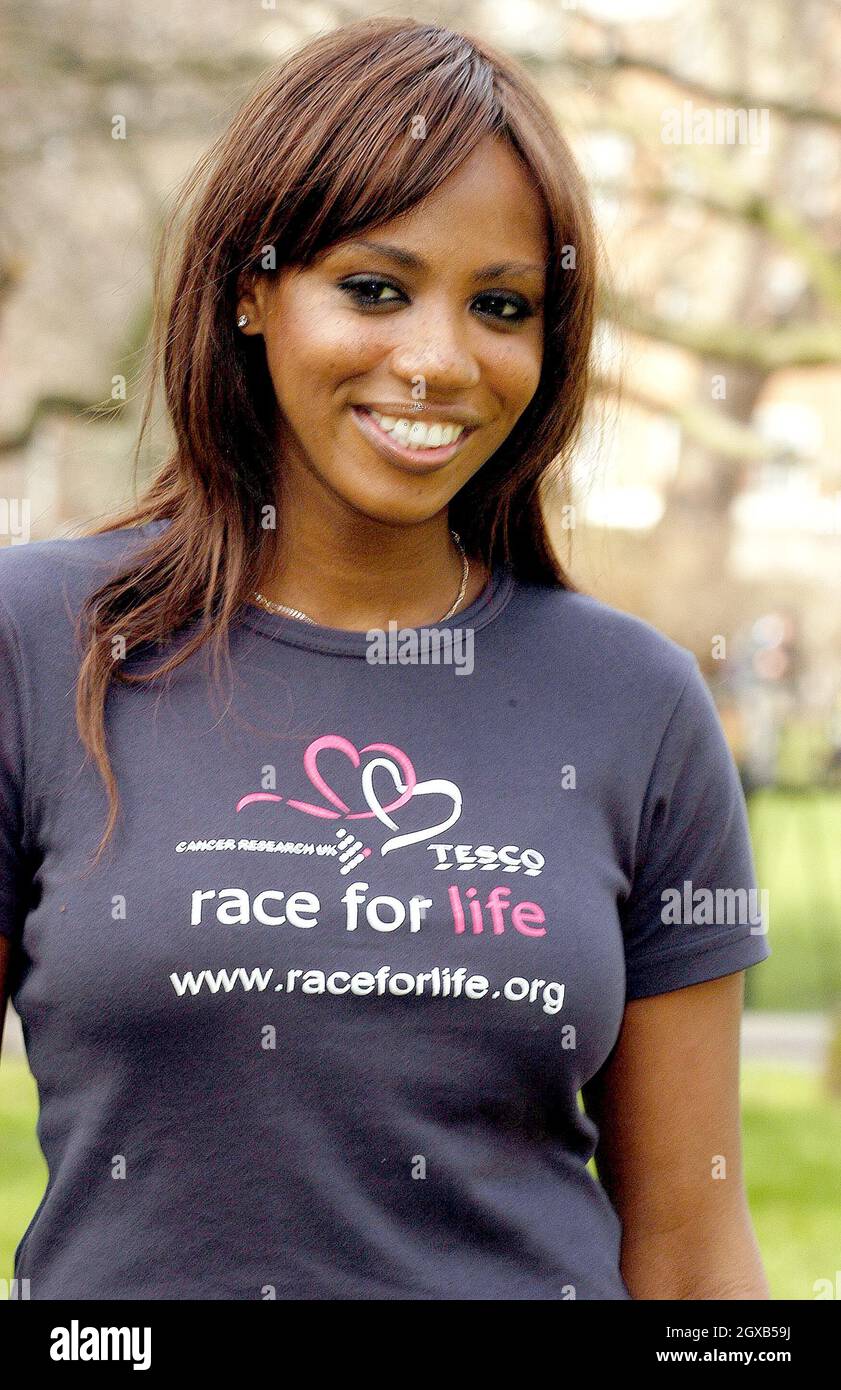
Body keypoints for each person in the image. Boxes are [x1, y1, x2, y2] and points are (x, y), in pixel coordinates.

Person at [0, 16, 770, 1301]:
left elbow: (692, 1250)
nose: (436, 359)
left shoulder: (634, 700)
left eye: (501, 306)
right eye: (373, 287)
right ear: (251, 287)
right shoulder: (40, 643)